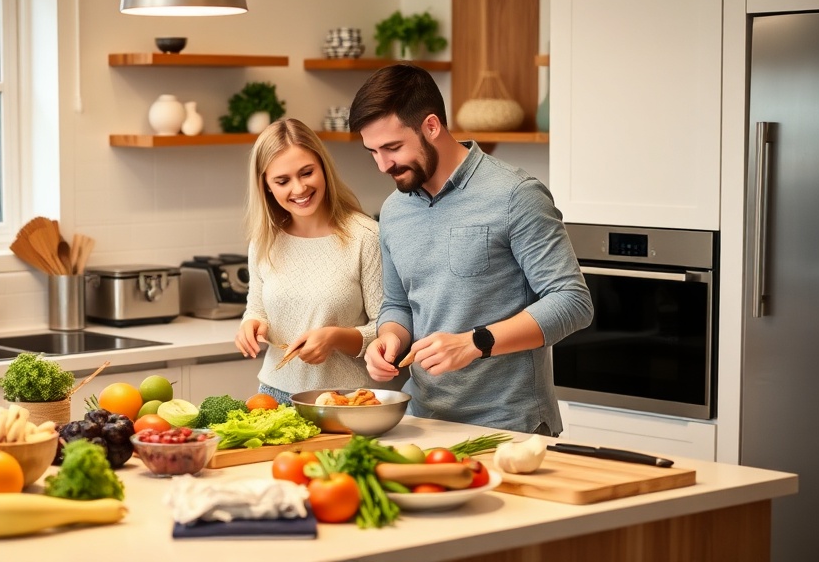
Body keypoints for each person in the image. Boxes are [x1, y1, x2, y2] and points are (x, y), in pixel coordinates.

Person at [348, 64, 593, 435]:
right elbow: (398, 304)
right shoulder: (395, 210)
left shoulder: (515, 194)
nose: (383, 164)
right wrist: (389, 339)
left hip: (510, 425)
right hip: (422, 420)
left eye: (392, 147)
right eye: (372, 152)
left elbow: (572, 301)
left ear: (431, 126)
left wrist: (477, 343)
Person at [234, 118, 388, 406]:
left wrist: (335, 338)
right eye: (282, 181)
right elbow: (256, 310)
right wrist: (252, 325)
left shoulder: (365, 237)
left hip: (345, 399)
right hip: (272, 394)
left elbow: (386, 329)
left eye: (307, 173)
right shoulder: (264, 240)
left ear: (324, 169)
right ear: (266, 186)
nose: (299, 188)